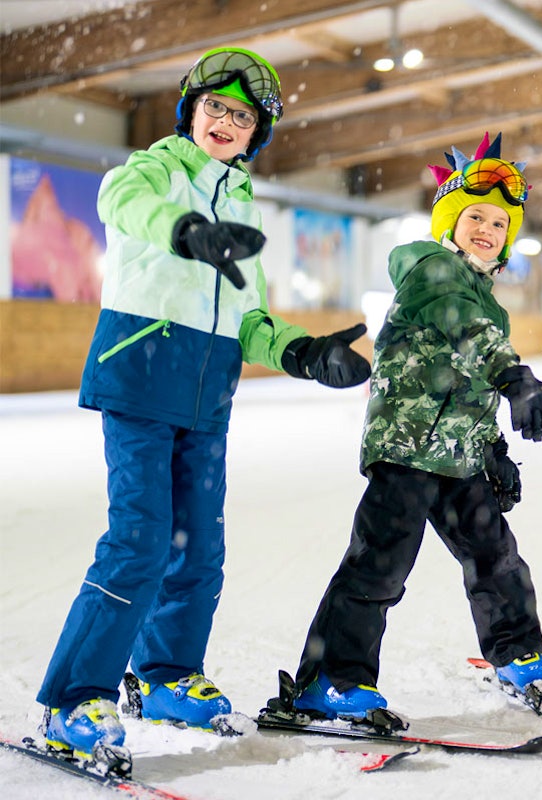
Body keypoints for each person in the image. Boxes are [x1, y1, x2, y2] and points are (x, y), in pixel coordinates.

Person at [36, 47, 372, 758]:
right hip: (142, 377)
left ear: (258, 134)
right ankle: (76, 697)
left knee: (200, 549)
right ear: (191, 110)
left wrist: (306, 353)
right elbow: (119, 200)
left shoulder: (244, 207)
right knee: (140, 543)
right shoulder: (158, 168)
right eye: (215, 106)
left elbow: (250, 319)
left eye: (242, 115)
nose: (225, 121)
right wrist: (187, 231)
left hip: (207, 393)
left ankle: (165, 673)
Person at [283, 133, 542, 723]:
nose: (486, 229)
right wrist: (517, 377)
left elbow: (467, 378)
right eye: (474, 217)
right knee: (380, 565)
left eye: (498, 223)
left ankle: (518, 654)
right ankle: (329, 680)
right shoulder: (432, 269)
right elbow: (467, 333)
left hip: (458, 457)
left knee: (496, 558)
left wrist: (493, 448)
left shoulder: (489, 300)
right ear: (449, 223)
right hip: (408, 449)